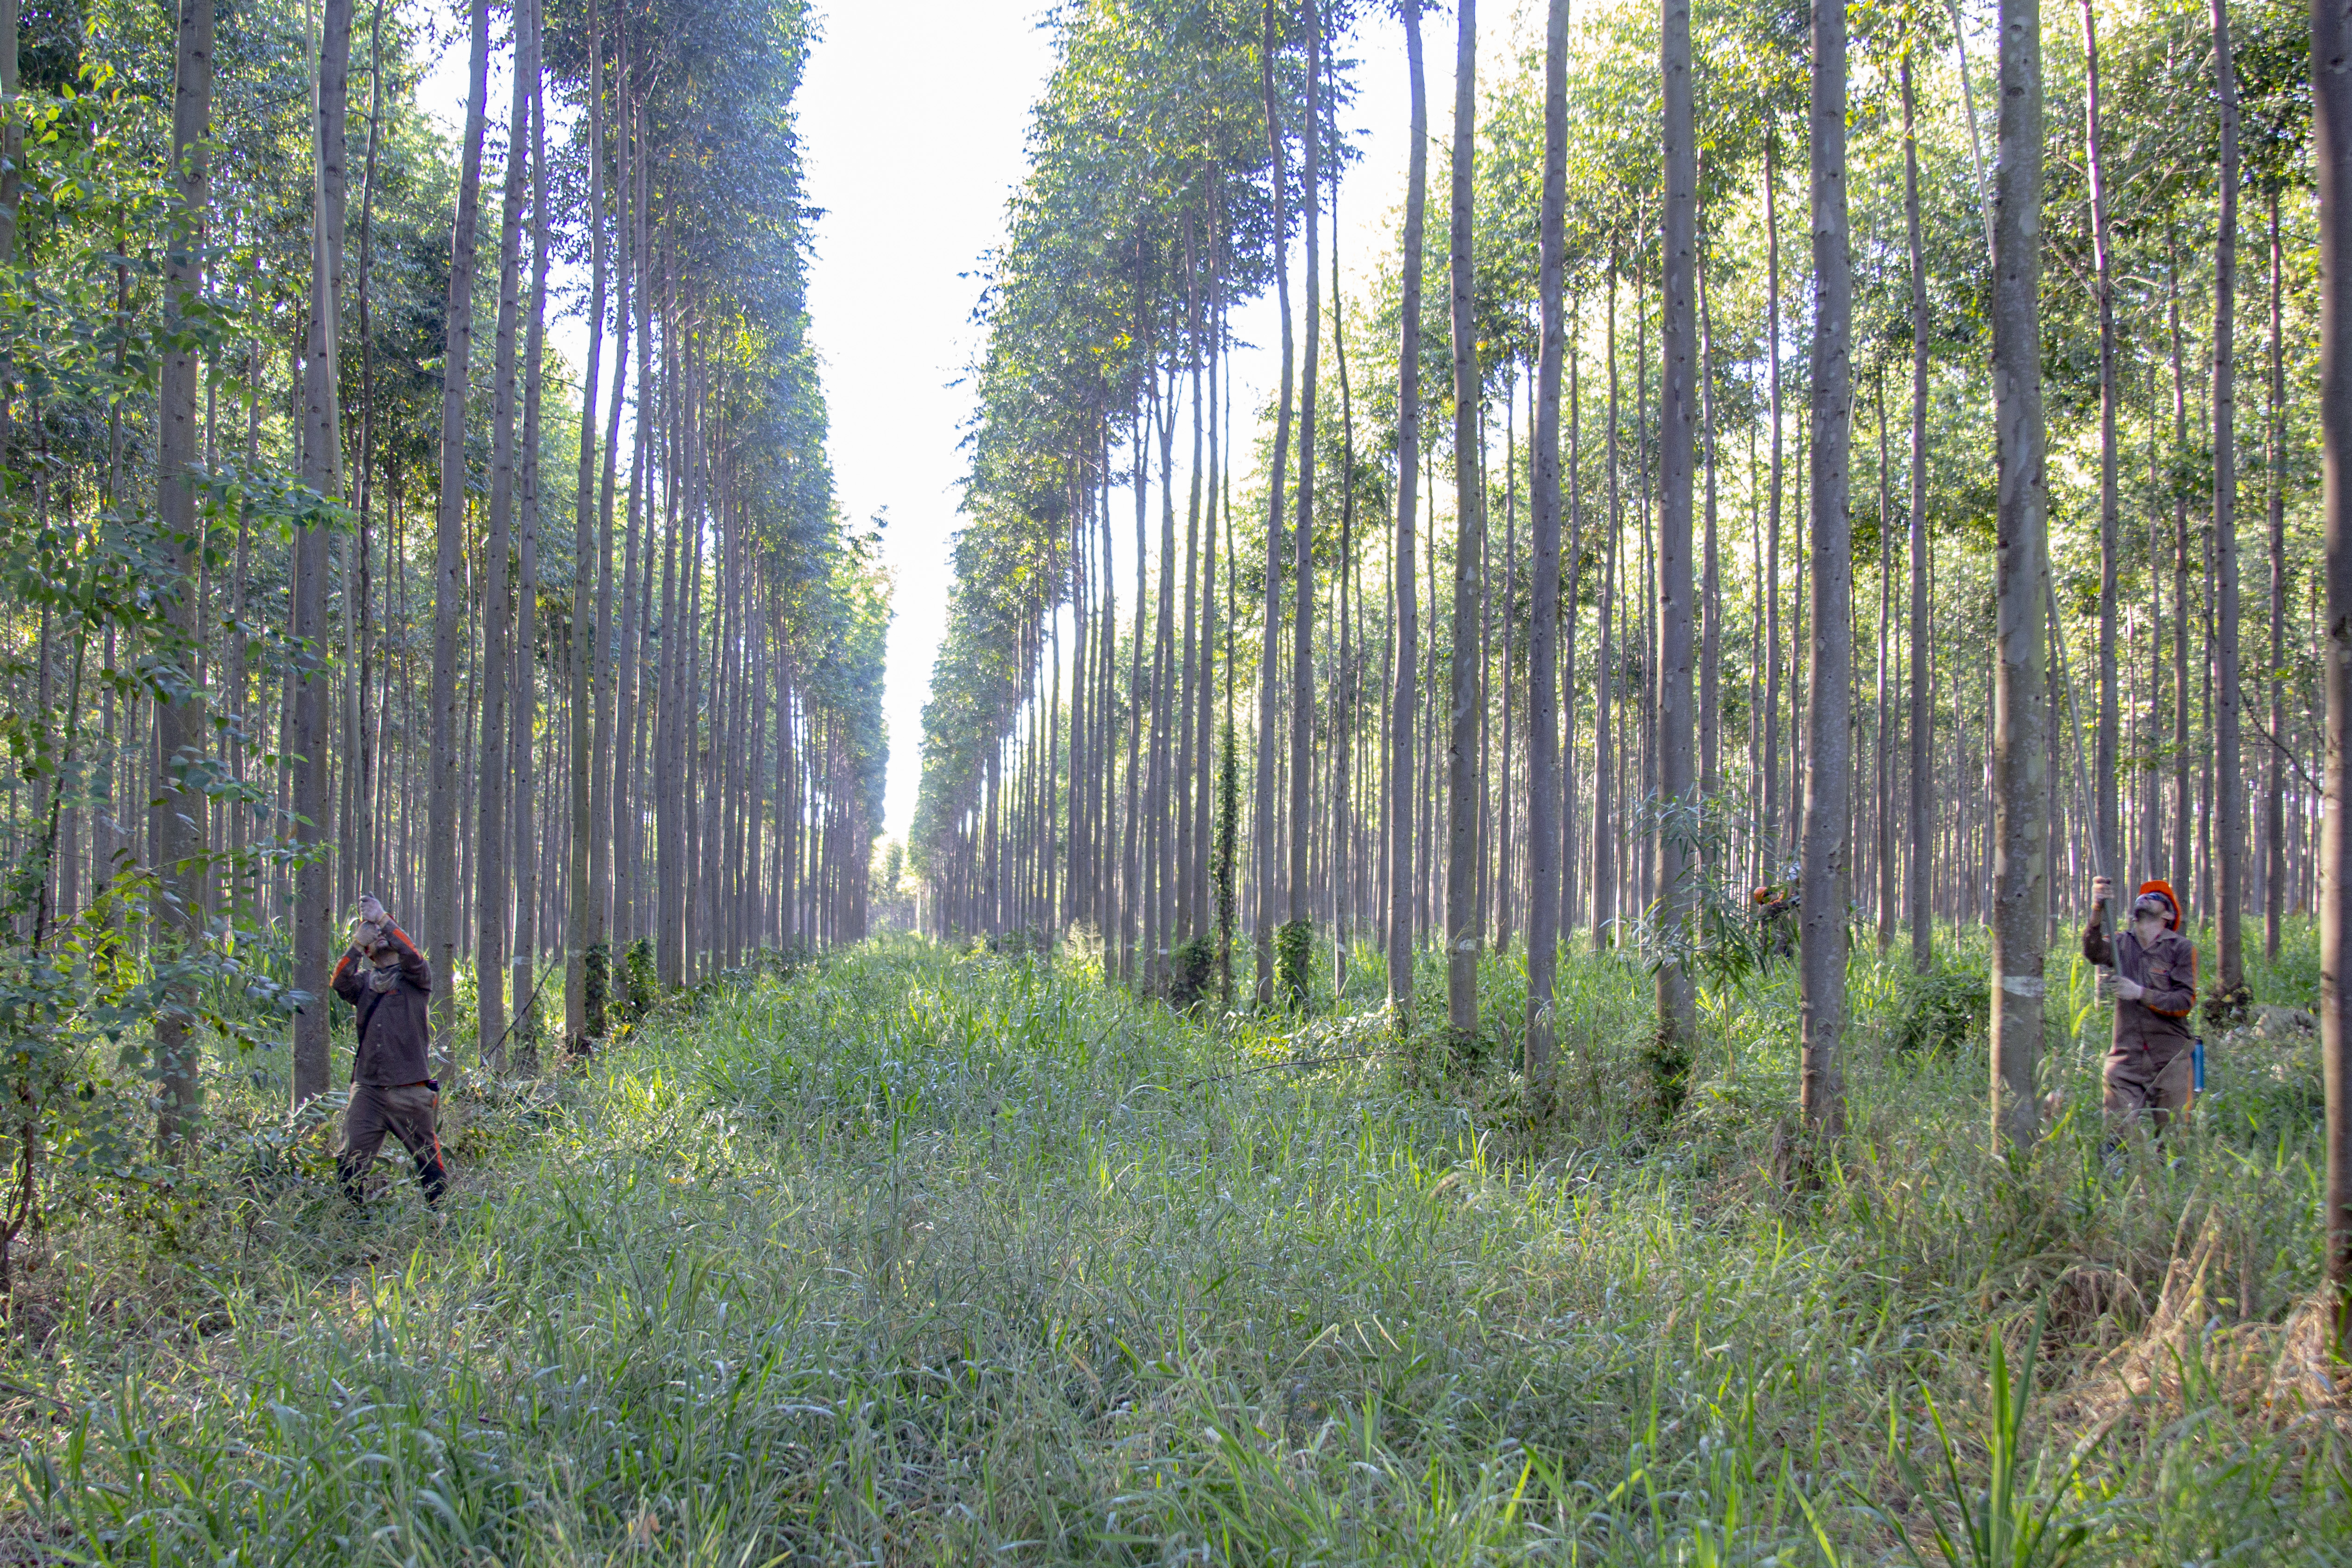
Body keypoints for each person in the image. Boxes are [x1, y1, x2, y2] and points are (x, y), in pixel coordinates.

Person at [328, 894, 448, 1208]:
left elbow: (414, 955)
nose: (380, 937)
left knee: (429, 1162)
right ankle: (356, 1224)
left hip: (410, 1087)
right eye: (375, 936)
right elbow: (339, 982)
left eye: (384, 934)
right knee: (348, 1161)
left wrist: (383, 919)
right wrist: (356, 943)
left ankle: (443, 1219)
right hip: (367, 1089)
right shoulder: (363, 984)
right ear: (368, 952)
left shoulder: (415, 979)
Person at [2082, 876, 2199, 1131]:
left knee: (2174, 1142)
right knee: (2117, 1132)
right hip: (2126, 1059)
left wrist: (2140, 993)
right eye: (2141, 897)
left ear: (2167, 916)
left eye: (2155, 898)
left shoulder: (2181, 948)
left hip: (2171, 1058)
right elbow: (2093, 952)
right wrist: (2097, 910)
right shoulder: (2122, 943)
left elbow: (2184, 1001)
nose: (2145, 899)